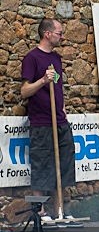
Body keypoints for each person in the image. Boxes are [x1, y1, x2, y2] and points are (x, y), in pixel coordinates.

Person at [20, 19, 76, 221]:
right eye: (59, 33)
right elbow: (25, 91)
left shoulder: (57, 59)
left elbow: (58, 87)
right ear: (47, 34)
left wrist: (63, 109)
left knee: (65, 161)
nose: (62, 36)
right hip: (42, 122)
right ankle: (40, 211)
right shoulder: (31, 58)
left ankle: (60, 209)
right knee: (42, 163)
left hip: (60, 121)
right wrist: (43, 80)